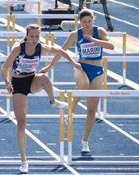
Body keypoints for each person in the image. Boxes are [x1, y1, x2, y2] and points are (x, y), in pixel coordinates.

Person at [1, 24, 81, 173]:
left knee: (44, 78)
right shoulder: (18, 48)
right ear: (26, 36)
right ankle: (24, 161)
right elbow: (4, 68)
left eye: (37, 36)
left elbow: (60, 51)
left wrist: (73, 63)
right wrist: (7, 83)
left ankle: (53, 101)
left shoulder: (40, 47)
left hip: (32, 80)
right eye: (31, 36)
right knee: (22, 122)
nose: (34, 39)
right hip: (18, 84)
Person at [48, 10, 114, 155]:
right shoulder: (75, 35)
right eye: (84, 22)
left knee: (91, 110)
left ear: (93, 20)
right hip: (81, 67)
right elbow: (61, 51)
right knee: (83, 84)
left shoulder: (99, 31)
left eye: (89, 21)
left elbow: (111, 46)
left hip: (97, 70)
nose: (87, 24)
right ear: (79, 22)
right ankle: (71, 110)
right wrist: (50, 65)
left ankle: (85, 141)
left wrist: (95, 41)